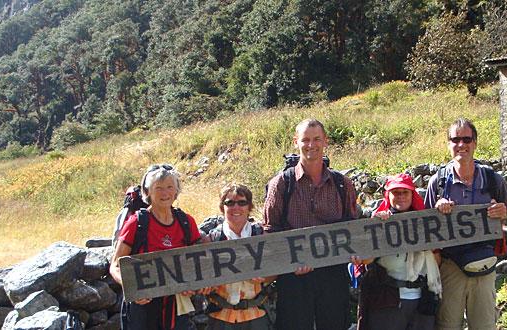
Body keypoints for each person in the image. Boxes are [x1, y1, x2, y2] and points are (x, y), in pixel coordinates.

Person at [263, 118, 360, 330]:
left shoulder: (342, 184)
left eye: (317, 139)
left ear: (326, 141)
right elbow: (270, 232)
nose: (311, 145)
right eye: (305, 139)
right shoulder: (281, 183)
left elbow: (353, 227)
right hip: (294, 277)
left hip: (333, 274)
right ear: (295, 142)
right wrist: (290, 264)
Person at [424, 119, 507, 330]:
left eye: (467, 139)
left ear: (475, 143)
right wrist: (437, 208)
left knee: (484, 325)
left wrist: (502, 212)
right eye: (455, 139)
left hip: (484, 263)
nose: (461, 144)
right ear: (448, 144)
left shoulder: (493, 179)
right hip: (450, 265)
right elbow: (424, 224)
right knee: (448, 325)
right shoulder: (437, 182)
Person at [109, 165, 203, 330]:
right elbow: (115, 265)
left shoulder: (186, 222)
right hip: (143, 306)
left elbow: (199, 261)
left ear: (176, 191)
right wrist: (133, 288)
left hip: (176, 305)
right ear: (148, 192)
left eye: (169, 187)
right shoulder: (137, 223)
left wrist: (192, 285)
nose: (165, 193)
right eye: (158, 188)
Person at [357, 173, 442, 330]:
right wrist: (378, 226)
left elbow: (437, 260)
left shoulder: (426, 224)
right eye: (396, 192)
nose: (401, 197)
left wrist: (425, 244)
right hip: (387, 301)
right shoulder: (378, 222)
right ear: (388, 195)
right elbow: (366, 259)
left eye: (405, 192)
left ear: (412, 194)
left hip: (421, 300)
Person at [204, 183, 273, 330]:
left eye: (242, 202)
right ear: (223, 207)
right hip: (219, 315)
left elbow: (276, 271)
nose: (236, 207)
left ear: (249, 207)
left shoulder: (262, 235)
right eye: (230, 203)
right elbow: (199, 276)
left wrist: (265, 277)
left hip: (256, 314)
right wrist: (205, 285)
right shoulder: (210, 241)